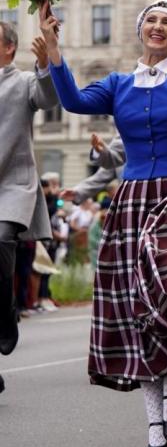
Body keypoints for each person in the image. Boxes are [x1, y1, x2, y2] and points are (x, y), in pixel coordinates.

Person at [41, 0, 167, 447]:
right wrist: (55, 51)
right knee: (135, 309)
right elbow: (74, 102)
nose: (158, 26)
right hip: (133, 200)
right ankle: (153, 420)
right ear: (140, 29)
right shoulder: (118, 84)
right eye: (152, 19)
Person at [0, 20, 59, 383]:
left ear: (8, 48)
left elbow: (48, 97)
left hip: (11, 188)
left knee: (0, 240)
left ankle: (6, 312)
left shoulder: (21, 82)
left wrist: (44, 63)